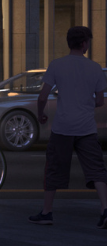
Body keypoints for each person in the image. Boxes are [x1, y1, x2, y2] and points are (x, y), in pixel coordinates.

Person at [30, 24, 107, 227]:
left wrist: (41, 115)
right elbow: (100, 101)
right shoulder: (95, 68)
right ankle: (105, 210)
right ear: (84, 44)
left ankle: (47, 213)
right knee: (96, 170)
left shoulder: (57, 65)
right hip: (87, 128)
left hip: (62, 128)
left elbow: (43, 96)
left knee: (54, 169)